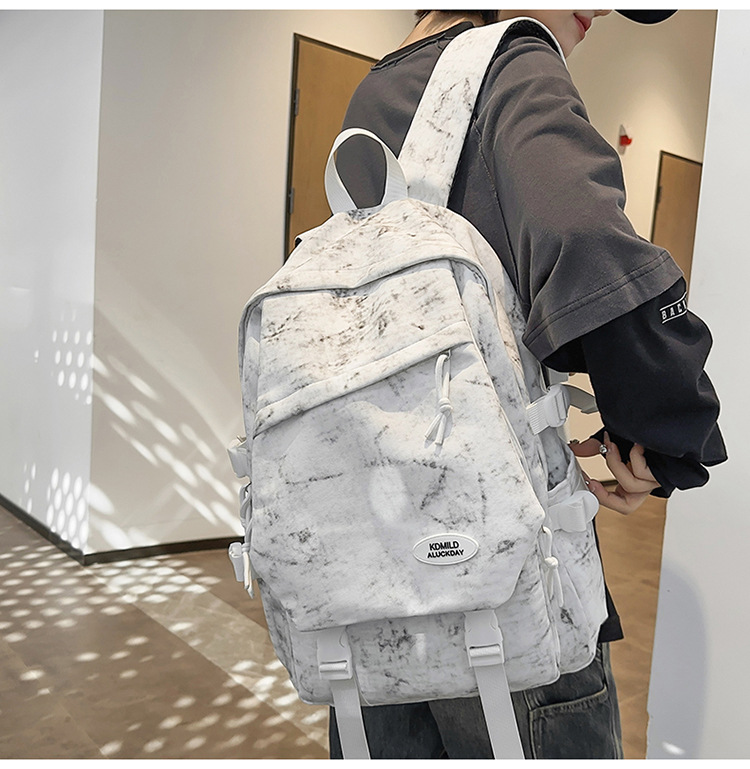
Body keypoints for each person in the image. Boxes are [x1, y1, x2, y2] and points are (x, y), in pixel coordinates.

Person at [331, 9, 727, 759]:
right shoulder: (513, 63)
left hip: (375, 567)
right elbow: (586, 239)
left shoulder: (377, 91)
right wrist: (666, 432)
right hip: (504, 575)